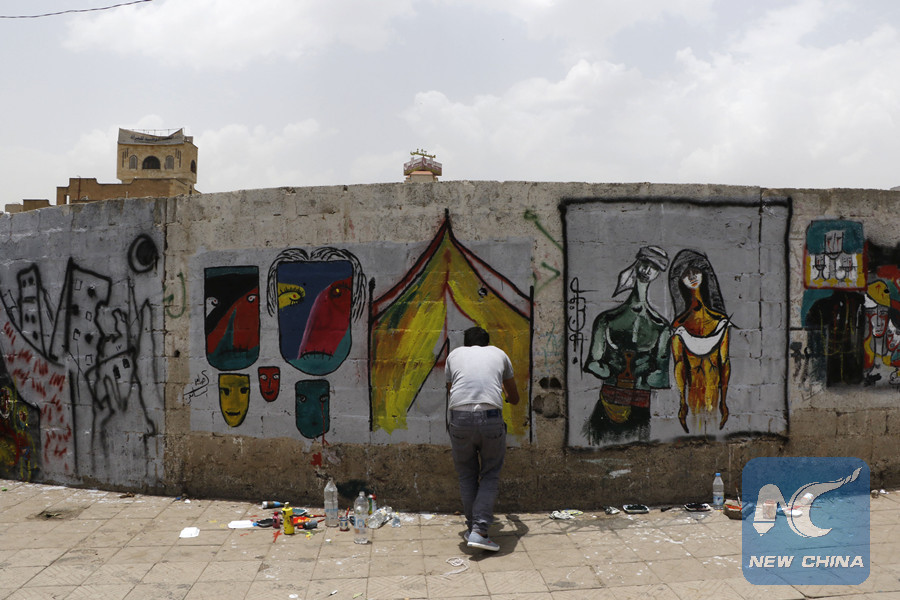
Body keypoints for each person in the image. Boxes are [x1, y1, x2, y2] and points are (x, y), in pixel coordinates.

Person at [582, 246, 670, 444]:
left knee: (637, 448)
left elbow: (661, 375)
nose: (647, 270)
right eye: (645, 263)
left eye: (654, 268)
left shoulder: (661, 327)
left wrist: (639, 375)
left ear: (658, 274)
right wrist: (613, 371)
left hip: (639, 404)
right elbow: (594, 362)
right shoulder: (607, 319)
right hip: (609, 401)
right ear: (637, 264)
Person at [445, 326, 519, 552]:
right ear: (487, 343)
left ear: (466, 344)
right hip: (490, 418)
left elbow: (451, 390)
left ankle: (473, 528)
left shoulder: (454, 355)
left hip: (459, 419)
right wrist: (502, 391)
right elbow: (514, 397)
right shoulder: (499, 354)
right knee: (490, 473)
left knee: (466, 474)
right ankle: (479, 530)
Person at [668, 249, 731, 433]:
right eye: (686, 274)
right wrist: (682, 403)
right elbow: (679, 364)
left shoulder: (720, 321)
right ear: (680, 281)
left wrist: (724, 401)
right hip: (692, 397)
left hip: (715, 395)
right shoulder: (679, 325)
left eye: (695, 271)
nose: (692, 276)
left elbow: (724, 362)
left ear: (704, 274)